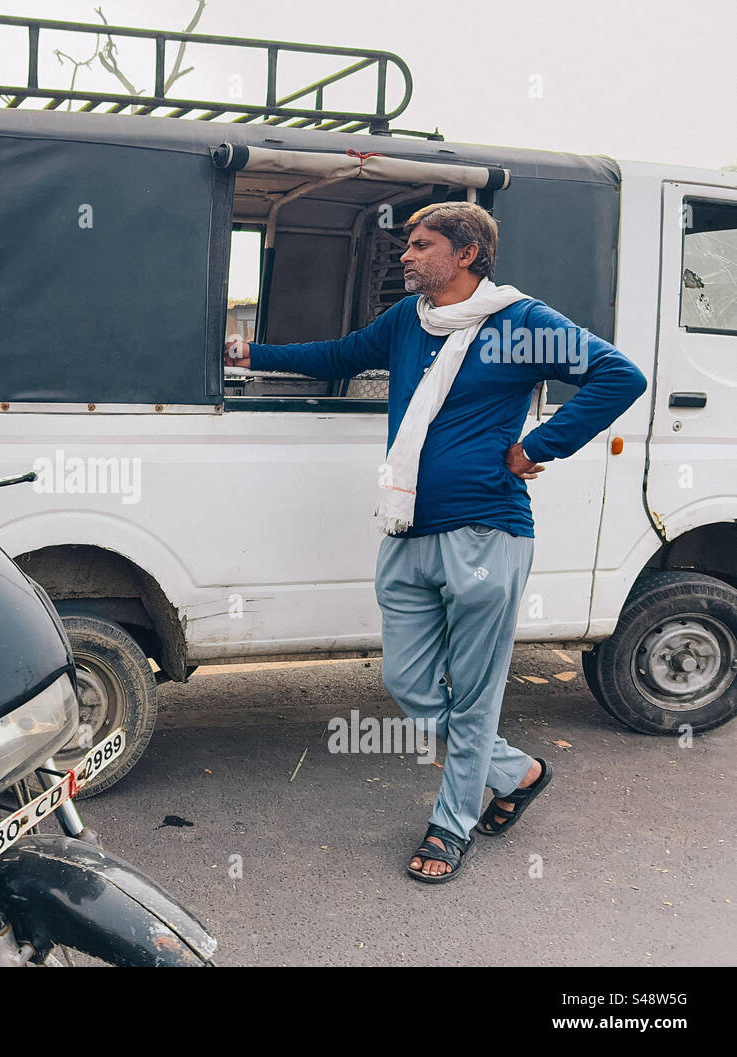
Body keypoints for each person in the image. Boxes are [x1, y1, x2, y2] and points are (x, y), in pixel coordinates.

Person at [226, 202, 647, 883]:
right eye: (407, 245)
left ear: (468, 254)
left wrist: (539, 446)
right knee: (407, 679)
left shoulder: (521, 323)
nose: (406, 255)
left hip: (486, 529)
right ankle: (518, 770)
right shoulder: (408, 321)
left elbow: (619, 375)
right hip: (408, 526)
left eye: (421, 245)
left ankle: (450, 827)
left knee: (475, 695)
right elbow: (338, 355)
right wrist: (251, 351)